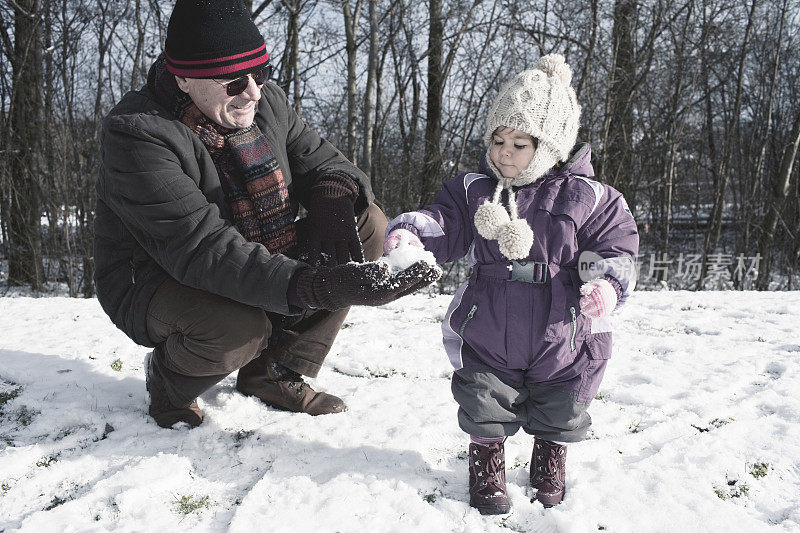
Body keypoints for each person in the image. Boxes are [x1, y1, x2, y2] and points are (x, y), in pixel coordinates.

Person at [94, 0, 439, 429]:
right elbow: (201, 248)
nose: (253, 92)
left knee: (364, 220)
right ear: (183, 78)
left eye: (261, 74)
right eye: (235, 81)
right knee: (240, 329)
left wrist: (332, 199)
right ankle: (169, 378)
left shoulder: (267, 103)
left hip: (249, 252)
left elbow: (329, 164)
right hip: (155, 277)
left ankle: (273, 371)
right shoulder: (137, 132)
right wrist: (317, 285)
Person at [383, 54, 639, 514]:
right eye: (498, 139)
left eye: (519, 143)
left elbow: (615, 247)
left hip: (562, 320)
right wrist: (413, 233)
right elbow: (446, 221)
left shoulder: (589, 196)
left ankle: (550, 455)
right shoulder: (474, 189)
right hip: (490, 314)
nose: (503, 151)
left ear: (549, 147)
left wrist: (605, 286)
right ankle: (487, 458)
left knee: (562, 394)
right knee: (484, 391)